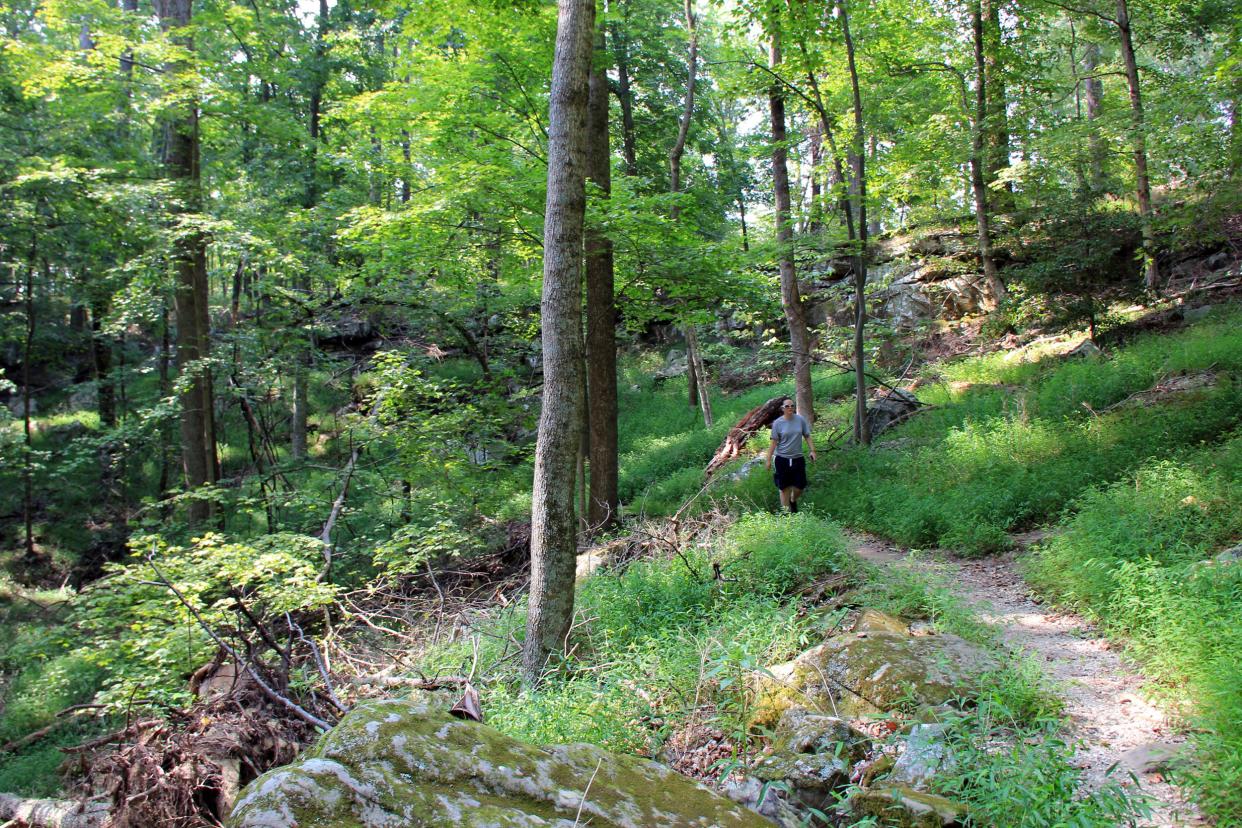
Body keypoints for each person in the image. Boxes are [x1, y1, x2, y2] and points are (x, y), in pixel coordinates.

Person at [764, 398, 817, 513]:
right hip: (782, 459)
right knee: (784, 488)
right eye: (787, 406)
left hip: (797, 458)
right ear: (782, 408)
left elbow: (807, 436)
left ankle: (793, 500)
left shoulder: (800, 420)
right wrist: (768, 460)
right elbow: (773, 443)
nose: (790, 408)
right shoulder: (778, 423)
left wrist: (812, 450)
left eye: (792, 406)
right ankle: (786, 517)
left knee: (800, 486)